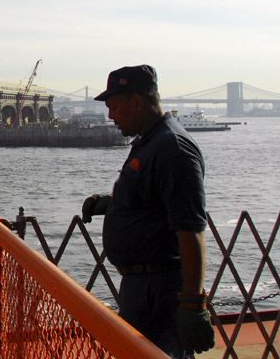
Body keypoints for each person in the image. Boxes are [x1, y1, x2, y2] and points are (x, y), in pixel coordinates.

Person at [81, 65, 215, 358]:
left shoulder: (173, 149)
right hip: (141, 286)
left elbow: (190, 229)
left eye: (114, 107)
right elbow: (151, 196)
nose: (110, 116)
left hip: (159, 290)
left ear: (138, 102)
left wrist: (192, 304)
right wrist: (112, 203)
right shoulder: (151, 142)